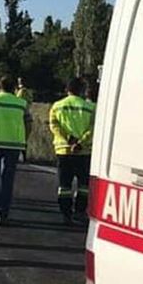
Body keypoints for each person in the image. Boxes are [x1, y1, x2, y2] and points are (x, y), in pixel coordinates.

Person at [0, 76, 33, 226]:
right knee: (7, 180)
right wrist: (24, 139)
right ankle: (3, 213)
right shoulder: (21, 103)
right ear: (14, 88)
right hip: (14, 144)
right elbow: (29, 124)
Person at [49, 77, 96, 225]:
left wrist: (68, 140)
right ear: (82, 90)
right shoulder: (90, 108)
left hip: (64, 150)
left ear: (67, 90)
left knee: (65, 185)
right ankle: (80, 212)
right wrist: (81, 143)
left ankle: (66, 214)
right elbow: (93, 128)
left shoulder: (57, 106)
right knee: (84, 185)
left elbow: (54, 126)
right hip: (83, 152)